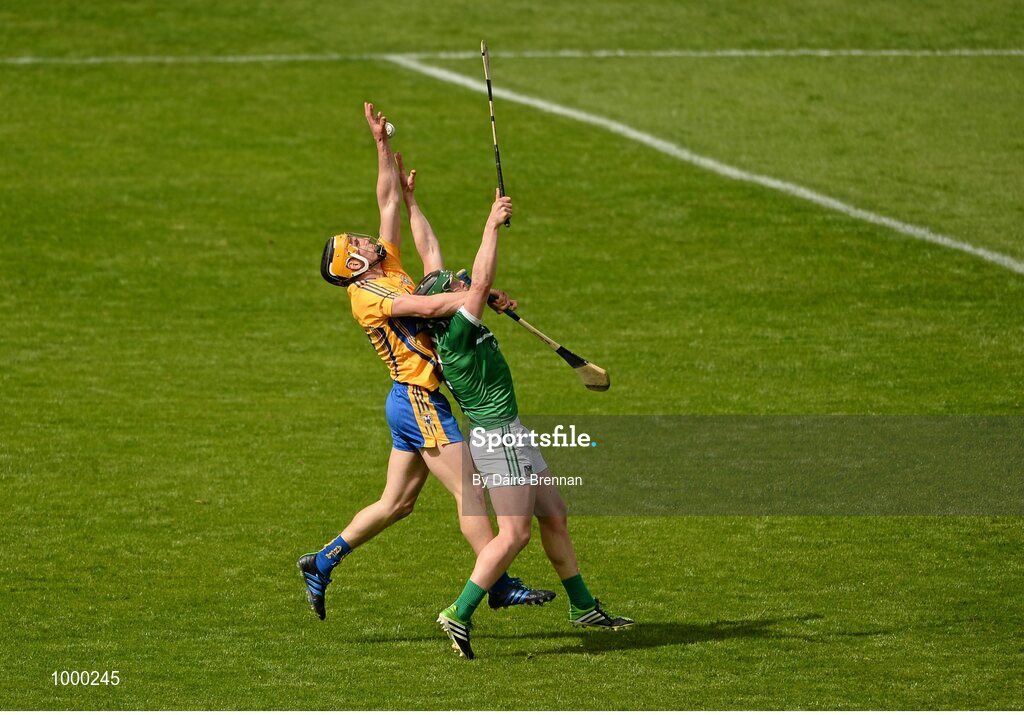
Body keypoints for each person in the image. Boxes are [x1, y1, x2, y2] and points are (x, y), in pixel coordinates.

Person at [297, 103, 552, 620]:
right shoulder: (367, 295)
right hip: (418, 399)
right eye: (361, 243)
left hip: (406, 399)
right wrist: (478, 293)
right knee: (469, 491)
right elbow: (431, 305)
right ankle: (497, 582)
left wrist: (381, 145)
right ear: (353, 263)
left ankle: (321, 562)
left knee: (397, 504)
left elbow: (388, 198)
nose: (370, 239)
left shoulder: (382, 265)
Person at [408, 192, 634, 660]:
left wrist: (411, 204)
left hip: (512, 433)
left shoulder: (456, 324)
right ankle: (458, 611)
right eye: (453, 287)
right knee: (514, 535)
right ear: (442, 308)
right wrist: (491, 225)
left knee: (553, 512)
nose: (462, 284)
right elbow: (478, 280)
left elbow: (442, 260)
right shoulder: (458, 338)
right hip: (499, 439)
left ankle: (583, 607)